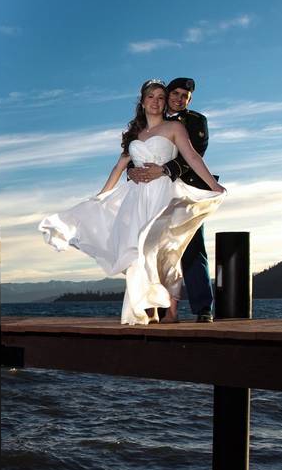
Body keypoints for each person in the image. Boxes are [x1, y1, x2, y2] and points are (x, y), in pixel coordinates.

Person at [38, 78, 226, 325]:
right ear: (144, 101)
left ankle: (194, 308)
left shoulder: (186, 124)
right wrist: (102, 196)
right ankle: (151, 307)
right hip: (139, 197)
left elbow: (192, 155)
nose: (161, 101)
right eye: (155, 97)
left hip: (171, 194)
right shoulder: (134, 134)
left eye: (165, 97)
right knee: (141, 249)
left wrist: (212, 185)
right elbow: (122, 165)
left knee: (176, 249)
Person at [128, 77, 216, 321]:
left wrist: (165, 170)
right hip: (152, 194)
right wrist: (132, 172)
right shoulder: (154, 121)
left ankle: (203, 308)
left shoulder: (196, 121)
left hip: (185, 192)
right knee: (153, 249)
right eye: (174, 94)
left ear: (190, 100)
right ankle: (163, 308)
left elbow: (194, 156)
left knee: (191, 247)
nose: (179, 99)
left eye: (184, 96)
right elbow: (136, 151)